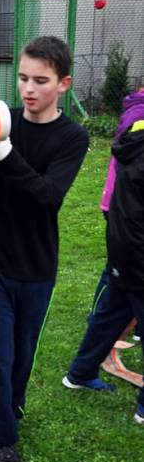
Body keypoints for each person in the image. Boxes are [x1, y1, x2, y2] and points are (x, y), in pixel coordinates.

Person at [0, 36, 89, 462]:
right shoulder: (3, 121)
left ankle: (11, 406)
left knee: (22, 353)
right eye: (23, 78)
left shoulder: (73, 138)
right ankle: (2, 436)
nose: (29, 89)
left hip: (36, 267)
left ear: (63, 84)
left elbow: (47, 196)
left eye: (41, 81)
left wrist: (5, 154)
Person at [63, 119, 144, 423]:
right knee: (111, 315)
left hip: (124, 252)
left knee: (109, 318)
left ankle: (80, 373)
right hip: (137, 256)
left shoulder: (136, 138)